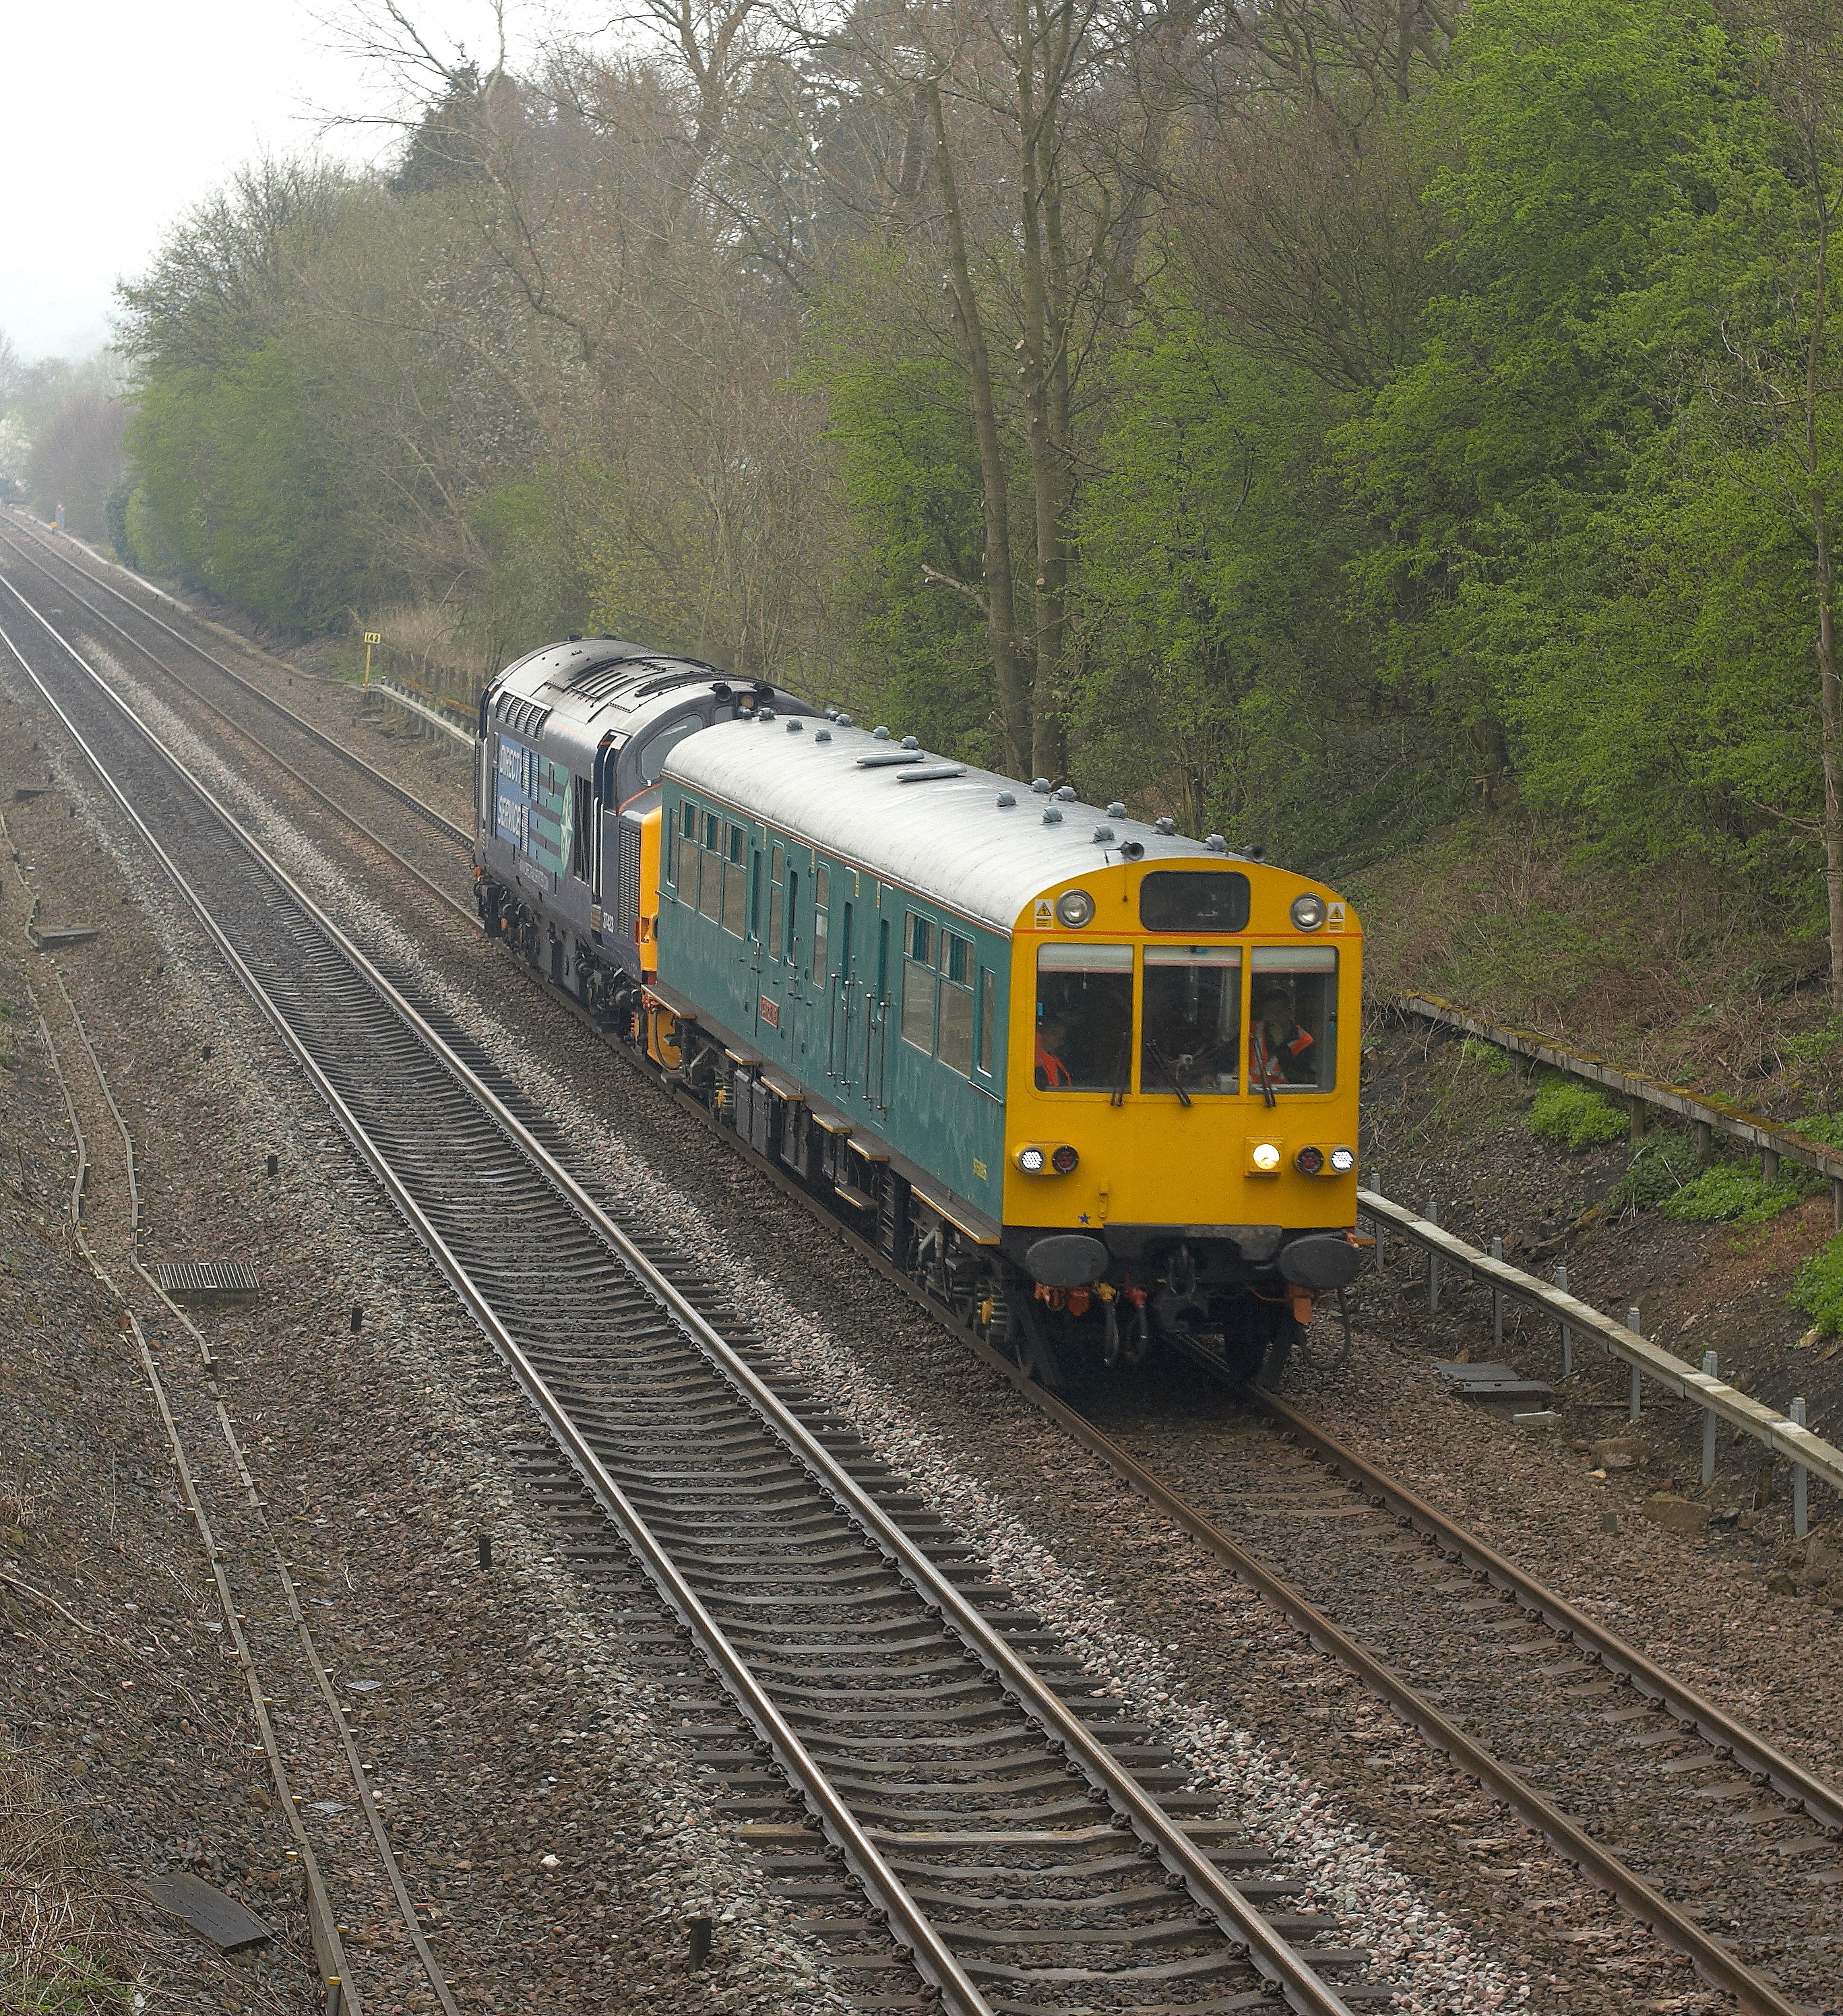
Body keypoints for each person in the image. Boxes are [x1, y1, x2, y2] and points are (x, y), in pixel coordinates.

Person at [1250, 988, 1315, 1094]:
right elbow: (1226, 1056)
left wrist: (1281, 1046)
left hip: (1284, 1097)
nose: (1275, 1017)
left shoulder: (1305, 1041)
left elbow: (1299, 1079)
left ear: (1289, 1011)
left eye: (1280, 1012)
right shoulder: (1253, 1030)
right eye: (1270, 1012)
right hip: (1251, 1093)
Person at [1036, 1013, 1073, 1089]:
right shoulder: (1034, 1062)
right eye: (1058, 1038)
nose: (1060, 1043)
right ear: (1045, 1035)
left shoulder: (1054, 1059)